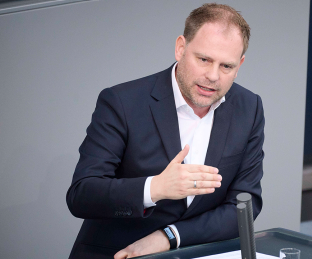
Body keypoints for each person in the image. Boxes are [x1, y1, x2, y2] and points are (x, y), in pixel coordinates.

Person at [66, 3, 264, 259]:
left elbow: (245, 206)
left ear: (240, 64)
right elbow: (82, 194)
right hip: (119, 254)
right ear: (180, 48)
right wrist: (156, 187)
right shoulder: (122, 102)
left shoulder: (249, 107)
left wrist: (169, 237)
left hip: (196, 252)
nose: (213, 76)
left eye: (226, 66)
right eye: (204, 59)